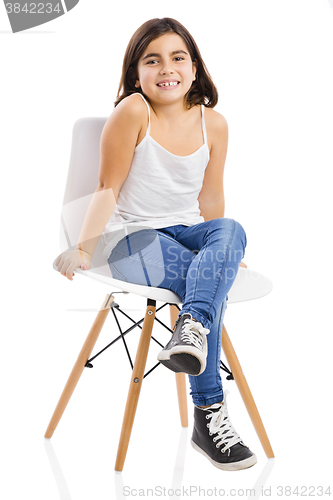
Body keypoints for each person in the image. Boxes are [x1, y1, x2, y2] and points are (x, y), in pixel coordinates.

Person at [55, 17, 256, 471]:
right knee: (205, 284)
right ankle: (210, 413)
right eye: (153, 60)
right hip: (130, 240)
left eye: (177, 57)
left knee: (234, 233)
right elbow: (107, 187)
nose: (167, 68)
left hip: (188, 232)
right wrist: (84, 247)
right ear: (136, 73)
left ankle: (192, 330)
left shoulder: (215, 124)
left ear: (194, 66)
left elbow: (211, 199)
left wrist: (224, 255)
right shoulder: (133, 111)